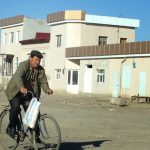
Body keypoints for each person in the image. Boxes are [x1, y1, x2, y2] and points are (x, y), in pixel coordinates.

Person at [5, 50, 53, 142]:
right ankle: (11, 127)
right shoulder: (23, 65)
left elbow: (43, 81)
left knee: (34, 113)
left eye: (39, 60)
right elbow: (18, 77)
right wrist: (21, 87)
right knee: (15, 108)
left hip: (26, 94)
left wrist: (47, 89)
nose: (37, 62)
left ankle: (35, 137)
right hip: (15, 92)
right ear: (31, 58)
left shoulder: (40, 70)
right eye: (36, 60)